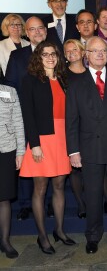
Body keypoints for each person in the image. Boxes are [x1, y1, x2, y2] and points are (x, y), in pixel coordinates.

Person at [65, 36, 107, 254]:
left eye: (104, 51)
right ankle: (93, 236)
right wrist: (73, 150)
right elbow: (71, 119)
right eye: (95, 51)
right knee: (92, 195)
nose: (100, 54)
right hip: (89, 147)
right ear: (86, 55)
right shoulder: (76, 83)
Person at [20, 41, 75, 254]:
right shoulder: (30, 80)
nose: (50, 57)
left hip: (63, 138)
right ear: (38, 57)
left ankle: (59, 231)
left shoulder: (64, 79)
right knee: (40, 188)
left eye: (53, 54)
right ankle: (42, 236)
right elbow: (28, 115)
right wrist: (34, 145)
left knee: (60, 185)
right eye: (45, 54)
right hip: (42, 139)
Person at [4, 16, 49, 221]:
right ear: (26, 33)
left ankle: (44, 202)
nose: (38, 32)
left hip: (49, 119)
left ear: (45, 32)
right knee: (25, 158)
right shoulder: (17, 56)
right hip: (23, 116)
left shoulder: (53, 54)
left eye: (41, 28)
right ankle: (25, 204)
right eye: (33, 29)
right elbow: (10, 87)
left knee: (46, 162)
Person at [0, 84, 25, 258]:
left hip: (6, 149)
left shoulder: (9, 91)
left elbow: (18, 121)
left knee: (4, 198)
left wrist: (21, 151)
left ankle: (5, 241)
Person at [63, 39, 86, 218]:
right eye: (68, 51)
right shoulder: (61, 76)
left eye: (75, 49)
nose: (72, 53)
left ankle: (106, 199)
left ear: (83, 52)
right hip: (70, 124)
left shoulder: (91, 74)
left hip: (89, 126)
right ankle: (81, 204)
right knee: (75, 169)